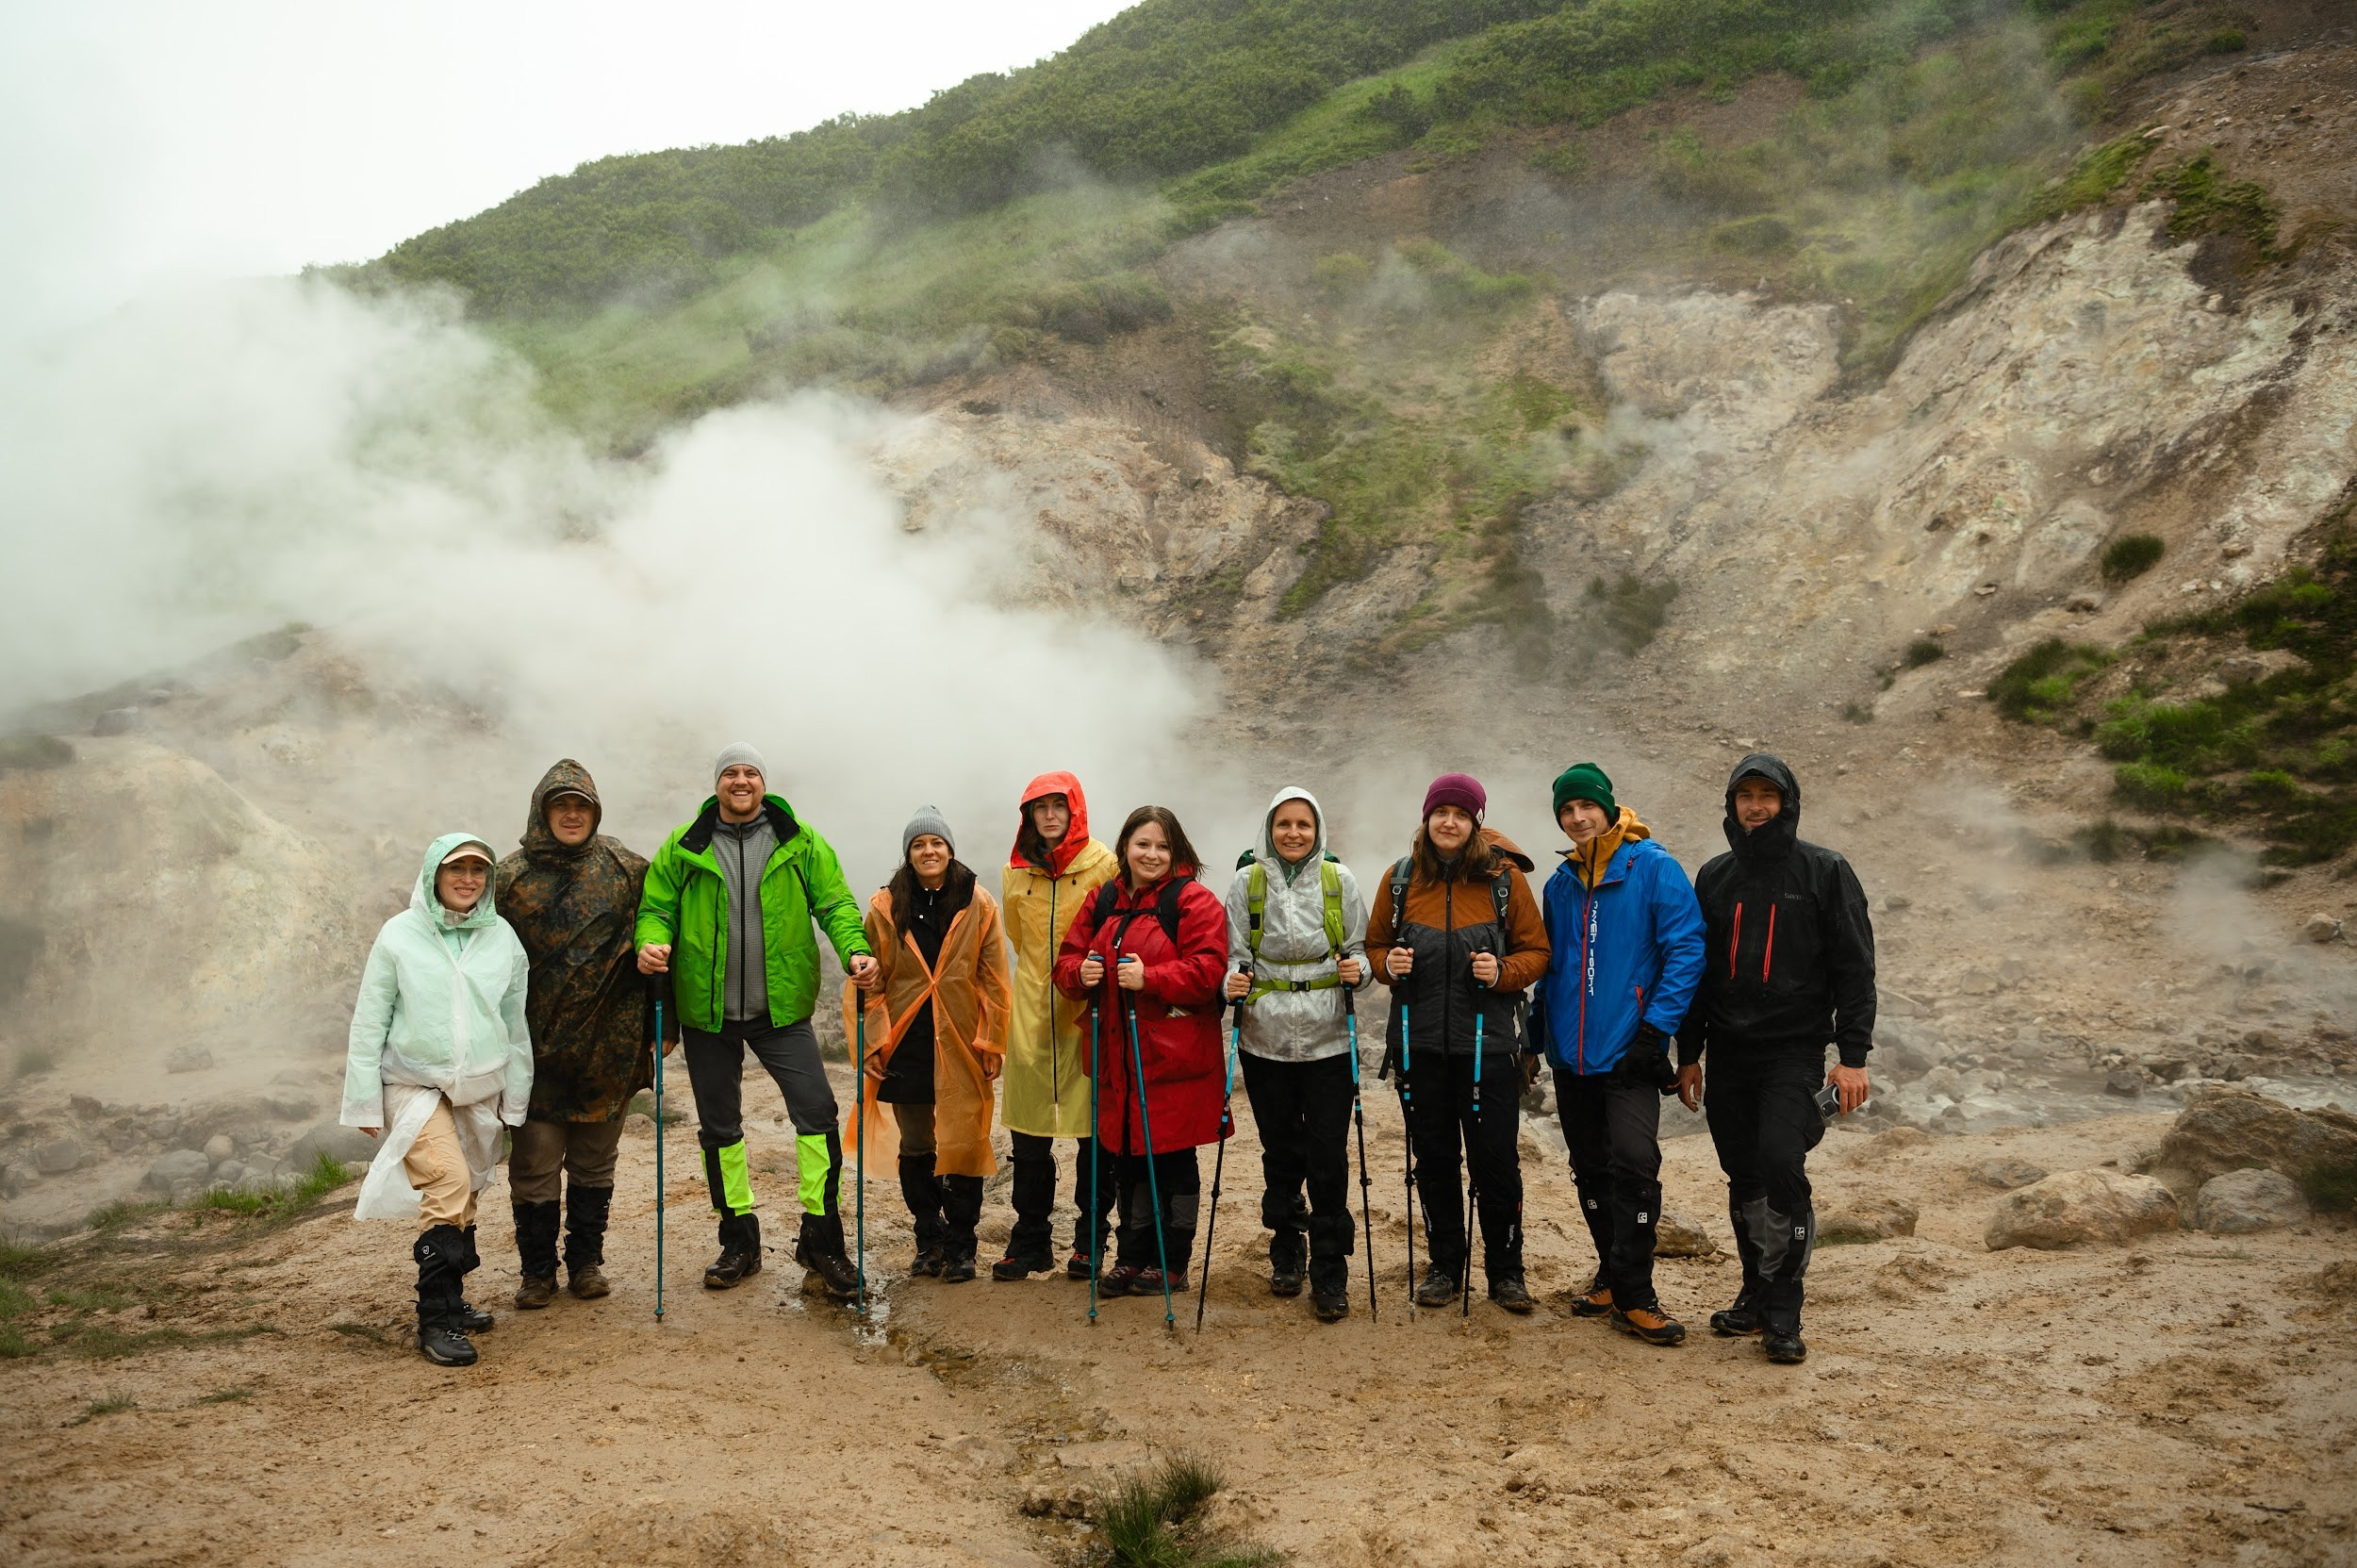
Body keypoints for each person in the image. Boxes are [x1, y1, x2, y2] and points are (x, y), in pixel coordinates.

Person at [635, 745, 879, 1301]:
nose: (740, 781)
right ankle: (738, 1238)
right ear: (716, 785)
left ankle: (822, 1238)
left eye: (750, 773)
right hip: (706, 1012)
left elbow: (835, 902)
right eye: (730, 773)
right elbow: (655, 908)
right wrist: (648, 942)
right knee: (719, 1129)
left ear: (763, 783)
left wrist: (854, 951)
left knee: (817, 1113)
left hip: (781, 1009)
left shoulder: (799, 840)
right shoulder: (685, 843)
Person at [1677, 753, 1876, 1365]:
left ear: (1787, 802)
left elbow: (1854, 965)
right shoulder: (1714, 876)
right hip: (1729, 1052)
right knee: (1743, 1174)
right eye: (1746, 795)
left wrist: (1853, 1057)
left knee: (1780, 1163)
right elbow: (1695, 973)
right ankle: (1755, 1291)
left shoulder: (1825, 870)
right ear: (1732, 805)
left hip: (1793, 1052)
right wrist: (1689, 1054)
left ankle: (1783, 1310)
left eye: (1768, 794)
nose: (1757, 805)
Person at [1531, 763, 1706, 1346]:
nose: (1577, 817)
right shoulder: (1559, 884)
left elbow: (1686, 950)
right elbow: (1550, 970)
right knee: (1590, 1166)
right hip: (1572, 1057)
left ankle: (1637, 1297)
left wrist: (1655, 1034)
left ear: (1609, 808)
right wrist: (1536, 1039)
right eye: (1566, 809)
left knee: (1634, 1164)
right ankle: (1612, 1272)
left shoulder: (1653, 867)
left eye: (1586, 806)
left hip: (1630, 1052)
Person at [341, 834, 532, 1366]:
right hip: (413, 1082)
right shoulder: (399, 935)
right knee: (447, 1181)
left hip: (478, 1085)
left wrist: (515, 1098)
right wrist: (362, 1101)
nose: (468, 878)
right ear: (434, 874)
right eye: (457, 868)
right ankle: (437, 1319)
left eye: (478, 870)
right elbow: (370, 1017)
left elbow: (515, 1025)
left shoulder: (502, 938)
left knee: (466, 1188)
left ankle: (454, 1298)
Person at [1364, 773, 1549, 1313]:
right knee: (1435, 1160)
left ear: (1477, 824)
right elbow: (1375, 945)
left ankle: (1506, 1271)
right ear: (1427, 818)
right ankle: (1445, 1265)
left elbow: (1537, 952)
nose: (1449, 822)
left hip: (1488, 1049)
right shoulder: (1400, 880)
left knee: (1496, 1162)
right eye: (1441, 812)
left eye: (1461, 815)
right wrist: (1387, 965)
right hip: (1419, 1048)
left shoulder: (1503, 882)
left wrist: (1502, 971)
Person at [496, 760, 670, 1310]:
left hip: (609, 1048)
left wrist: (666, 1021)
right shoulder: (507, 877)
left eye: (582, 806)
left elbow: (662, 937)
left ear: (595, 812)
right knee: (534, 1166)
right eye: (561, 805)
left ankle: (586, 1263)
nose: (572, 815)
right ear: (542, 810)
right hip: (531, 1052)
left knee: (595, 1163)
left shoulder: (627, 868)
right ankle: (537, 1273)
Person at [1054, 805, 1228, 1298]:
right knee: (1125, 1159)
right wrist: (1078, 974)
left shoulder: (1193, 902)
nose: (1151, 854)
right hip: (1117, 1059)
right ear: (1124, 847)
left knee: (1172, 1162)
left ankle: (1171, 1261)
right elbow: (1067, 960)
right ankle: (1132, 1258)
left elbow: (1207, 970)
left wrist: (1151, 979)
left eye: (1161, 846)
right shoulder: (1103, 899)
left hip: (1171, 1063)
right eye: (1142, 844)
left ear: (1177, 852)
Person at [1221, 786, 1372, 1322]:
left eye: (1303, 825)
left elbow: (1358, 950)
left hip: (1329, 1040)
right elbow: (1234, 955)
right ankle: (1288, 1244)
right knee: (1281, 1151)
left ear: (1318, 830)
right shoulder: (1246, 882)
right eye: (1283, 824)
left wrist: (1363, 972)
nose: (1293, 833)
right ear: (1269, 828)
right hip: (1265, 1041)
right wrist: (1230, 985)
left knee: (1328, 1157)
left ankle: (1331, 1268)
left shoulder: (1339, 880)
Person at [844, 808, 1012, 1283]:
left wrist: (992, 1040)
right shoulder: (884, 906)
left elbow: (995, 976)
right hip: (907, 1038)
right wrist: (872, 1041)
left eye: (936, 843)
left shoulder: (978, 902)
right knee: (917, 1142)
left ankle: (962, 1245)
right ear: (908, 853)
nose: (929, 851)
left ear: (950, 849)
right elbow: (870, 981)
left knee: (965, 1139)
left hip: (962, 1036)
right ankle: (928, 1236)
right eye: (919, 845)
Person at [994, 772, 1119, 1281]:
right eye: (1038, 807)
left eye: (1057, 806)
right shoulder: (1014, 872)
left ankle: (1090, 1239)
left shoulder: (1103, 866)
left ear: (1075, 810)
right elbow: (1017, 937)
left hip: (1085, 1007)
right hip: (1031, 1009)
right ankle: (1030, 1240)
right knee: (1028, 1133)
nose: (1049, 816)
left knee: (1093, 1133)